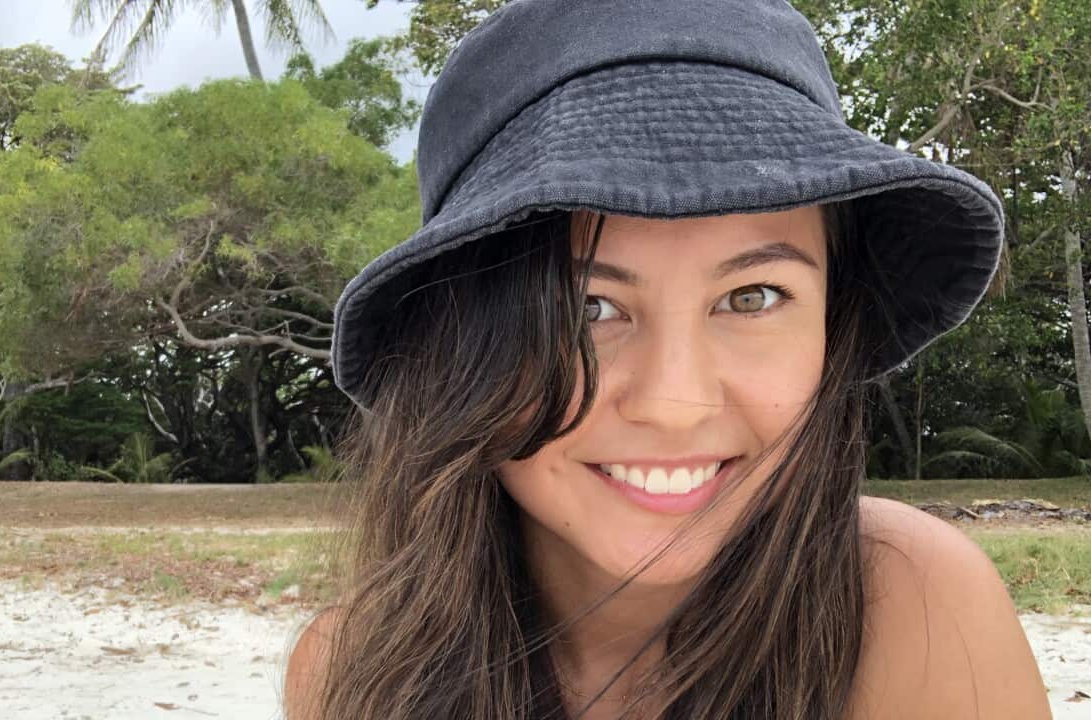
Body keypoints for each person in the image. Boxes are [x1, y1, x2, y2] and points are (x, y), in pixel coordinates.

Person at [285, 1, 1052, 718]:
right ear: (454, 345)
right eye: (588, 308)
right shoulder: (352, 668)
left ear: (832, 321)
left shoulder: (912, 606)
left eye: (752, 297)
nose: (674, 403)